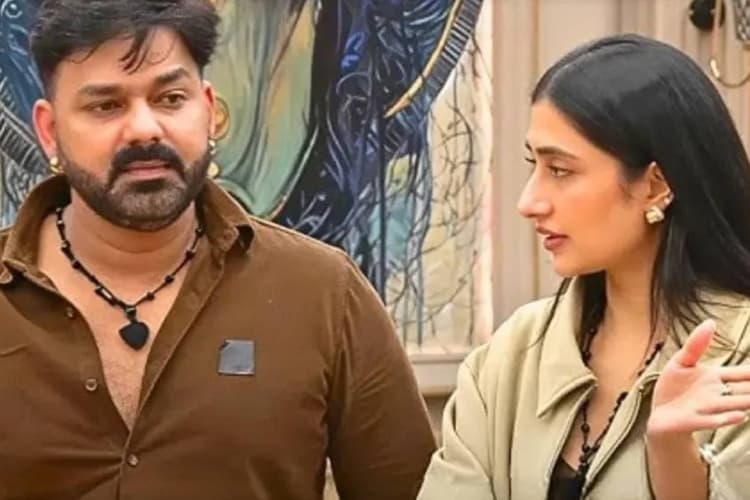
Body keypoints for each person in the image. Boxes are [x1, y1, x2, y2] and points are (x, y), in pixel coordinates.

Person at [0, 1, 436, 499]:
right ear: (49, 130)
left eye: (170, 98)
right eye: (107, 105)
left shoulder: (324, 294)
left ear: (208, 109)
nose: (144, 128)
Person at [417, 33, 750, 500]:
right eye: (534, 165)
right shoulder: (511, 356)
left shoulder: (740, 358)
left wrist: (672, 456)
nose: (528, 202)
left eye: (560, 170)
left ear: (656, 185)